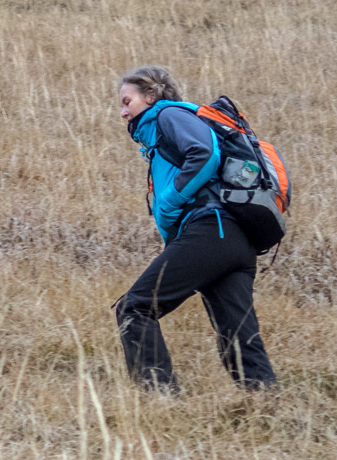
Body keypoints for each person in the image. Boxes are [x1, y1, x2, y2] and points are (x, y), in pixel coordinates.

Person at [114, 66, 277, 393]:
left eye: (126, 101)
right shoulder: (161, 134)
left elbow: (204, 154)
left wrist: (169, 201)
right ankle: (265, 406)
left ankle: (159, 400)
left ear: (150, 96)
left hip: (212, 230)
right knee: (239, 336)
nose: (122, 112)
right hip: (234, 242)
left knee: (134, 307)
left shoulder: (168, 115)